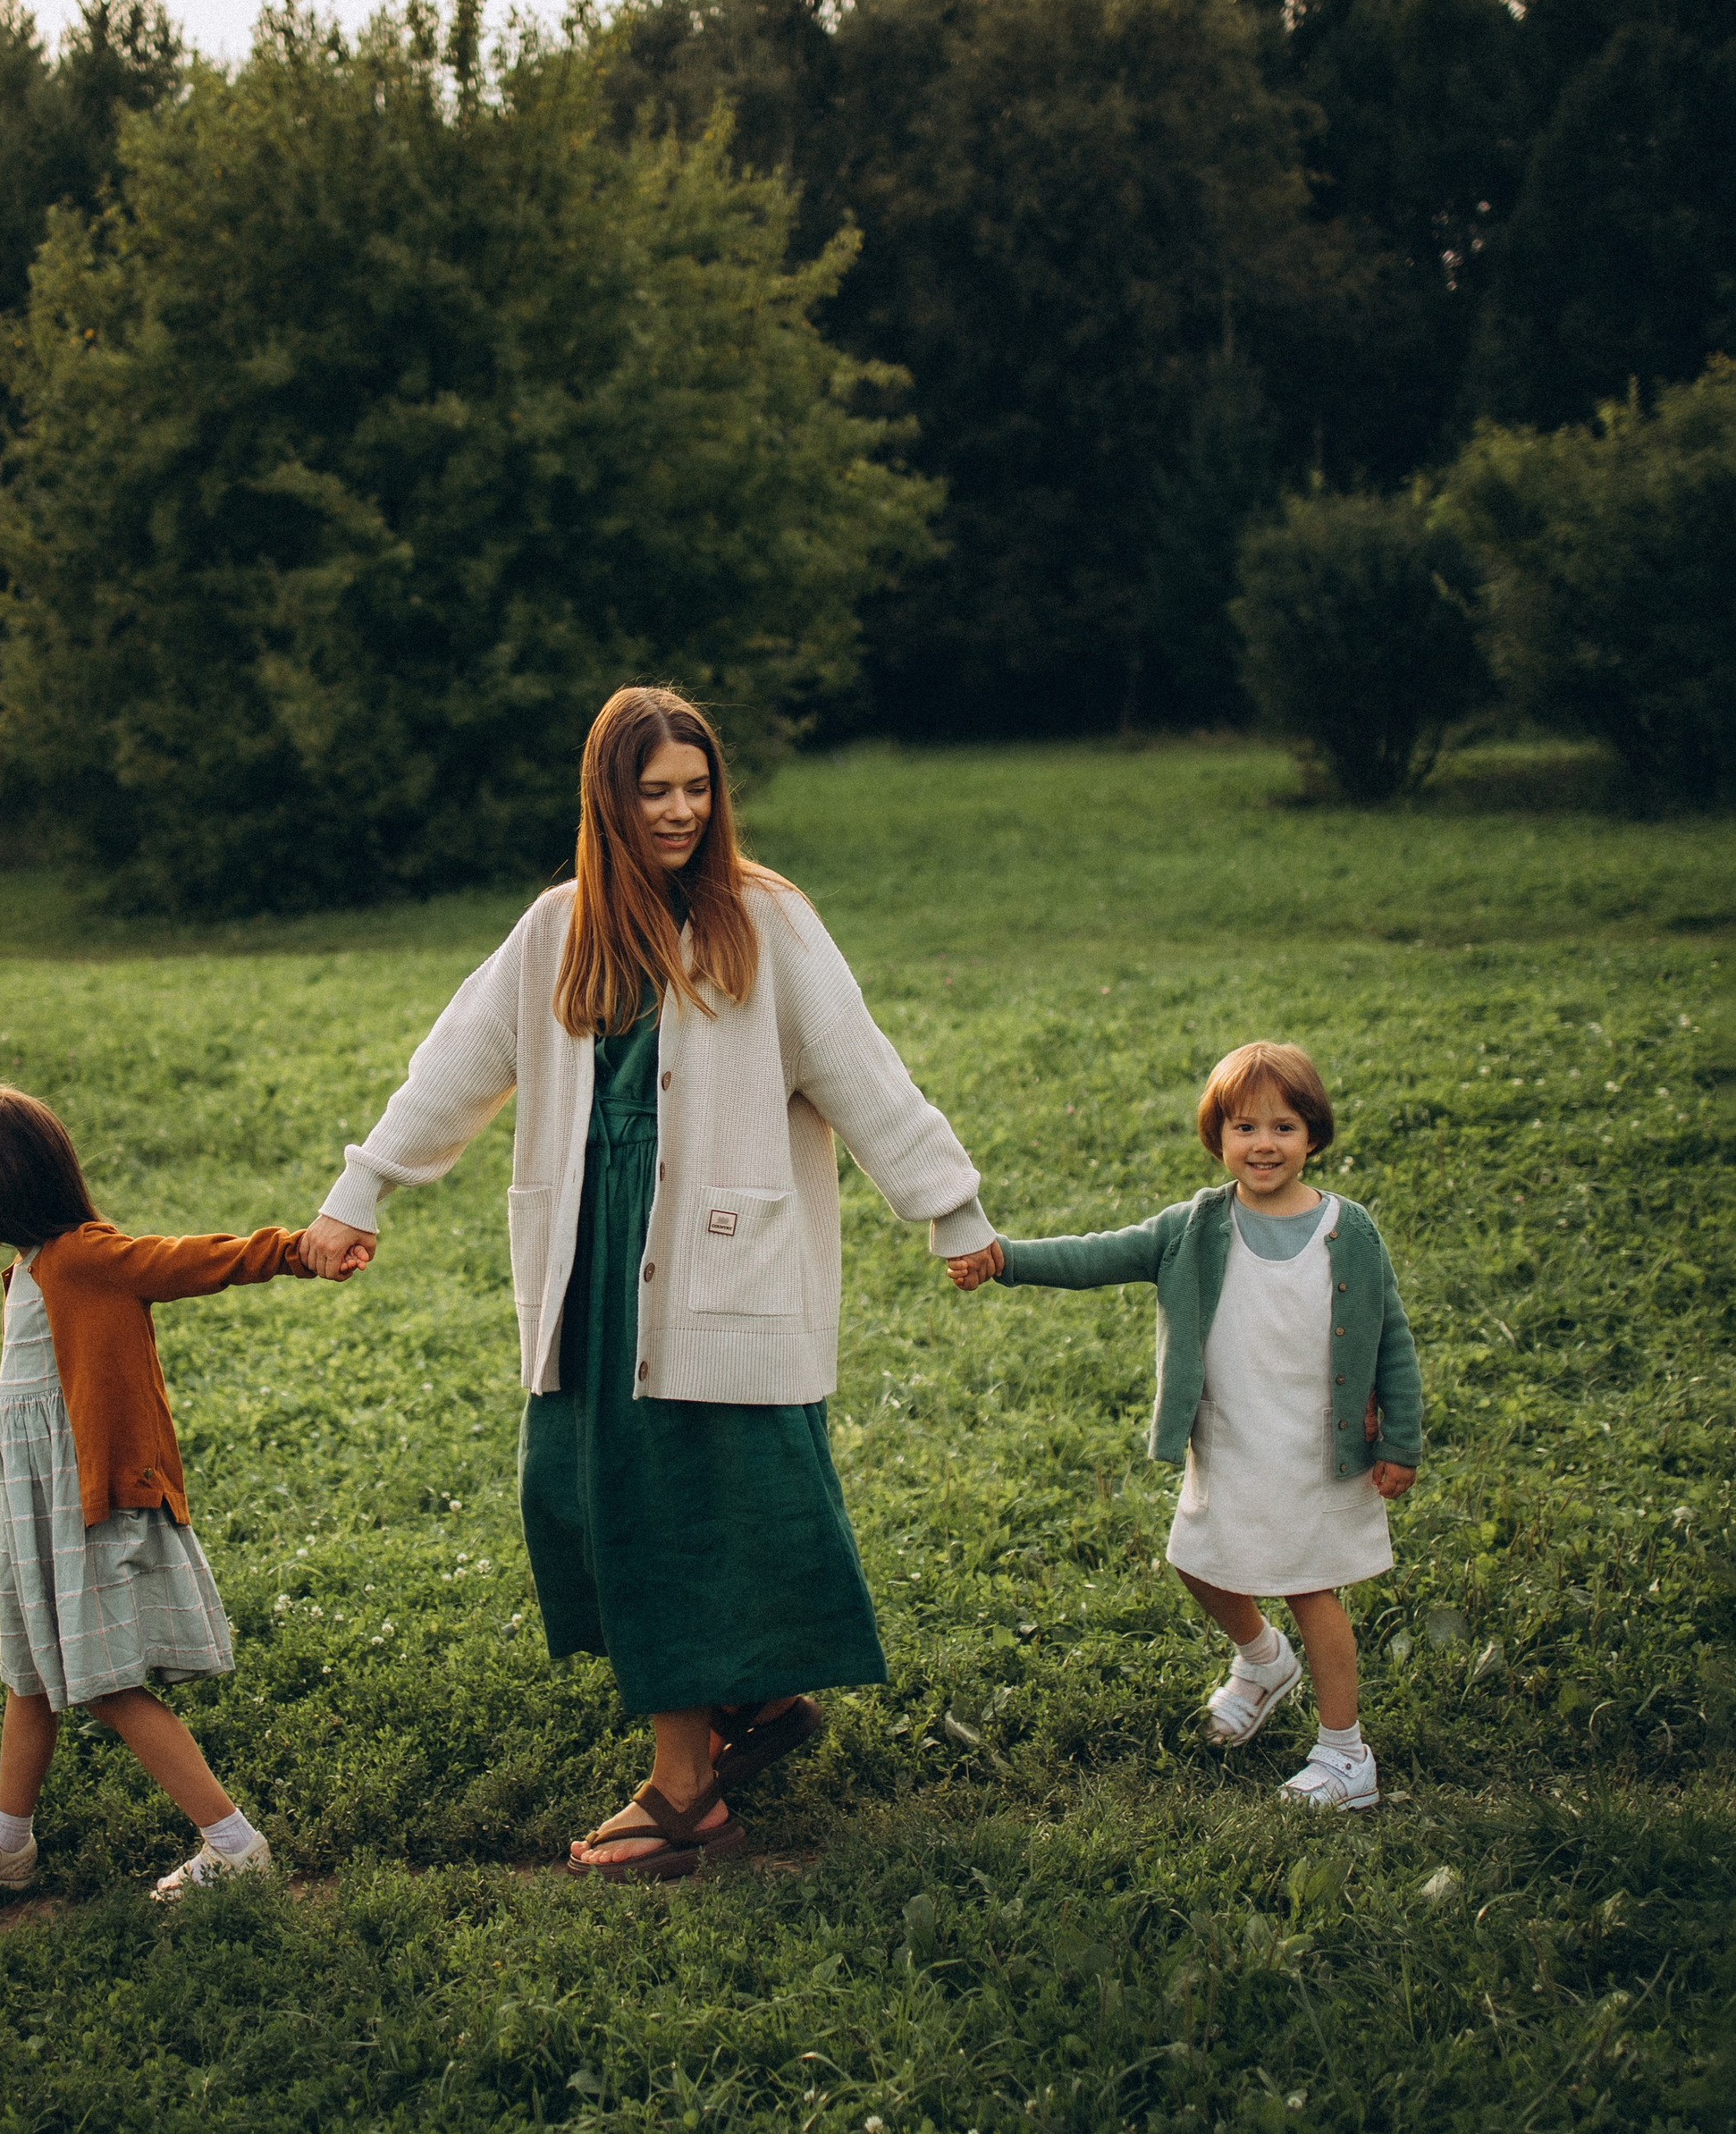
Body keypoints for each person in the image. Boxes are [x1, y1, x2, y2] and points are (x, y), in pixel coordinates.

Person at [294, 684, 997, 1880]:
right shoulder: (556, 929)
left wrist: (949, 1205)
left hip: (719, 1262)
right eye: (654, 791)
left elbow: (859, 1068)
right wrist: (360, 1189)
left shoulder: (765, 920)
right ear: (607, 800)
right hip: (593, 1262)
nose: (680, 812)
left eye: (696, 788)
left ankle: (686, 1796)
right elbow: (455, 1064)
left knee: (697, 1502)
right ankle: (754, 1700)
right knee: (597, 1494)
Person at [0, 1083, 359, 1902]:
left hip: (90, 1510)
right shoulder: (27, 1271)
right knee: (30, 1675)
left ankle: (234, 1845)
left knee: (109, 1685)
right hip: (39, 1517)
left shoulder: (83, 1257)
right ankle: (6, 1841)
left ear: (0, 1190)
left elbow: (184, 1261)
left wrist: (296, 1249)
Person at [955, 1038, 1420, 1810]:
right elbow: (1099, 1255)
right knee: (1197, 1561)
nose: (1263, 1143)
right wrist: (1004, 1258)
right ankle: (1262, 1659)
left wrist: (1400, 1439)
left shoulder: (1351, 1231)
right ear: (1218, 1136)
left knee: (1311, 1591)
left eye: (1283, 1126)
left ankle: (1346, 1757)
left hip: (1319, 1450)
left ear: (1313, 1134)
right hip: (1230, 1441)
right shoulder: (1194, 1226)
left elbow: (1392, 1338)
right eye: (1244, 1127)